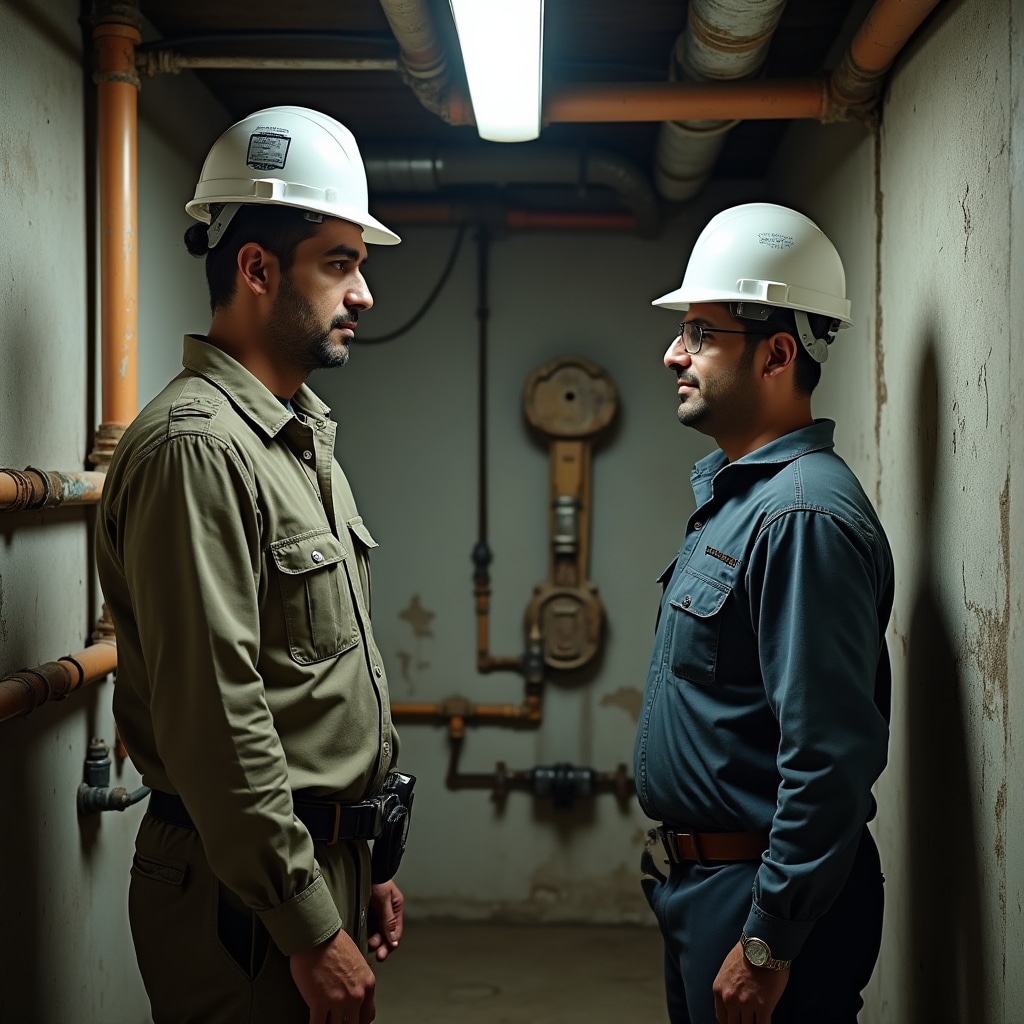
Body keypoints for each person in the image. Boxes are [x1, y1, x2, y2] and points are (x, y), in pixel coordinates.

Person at [96, 106, 410, 1024]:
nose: (365, 295)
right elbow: (219, 720)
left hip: (305, 868)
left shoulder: (295, 438)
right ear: (258, 268)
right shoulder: (198, 450)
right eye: (341, 264)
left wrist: (363, 864)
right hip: (241, 900)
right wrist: (310, 927)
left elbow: (305, 686)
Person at [633, 203, 893, 1024]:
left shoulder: (801, 516)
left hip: (759, 898)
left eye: (702, 332)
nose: (674, 352)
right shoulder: (744, 500)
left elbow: (827, 756)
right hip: (708, 888)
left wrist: (768, 940)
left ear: (779, 353)